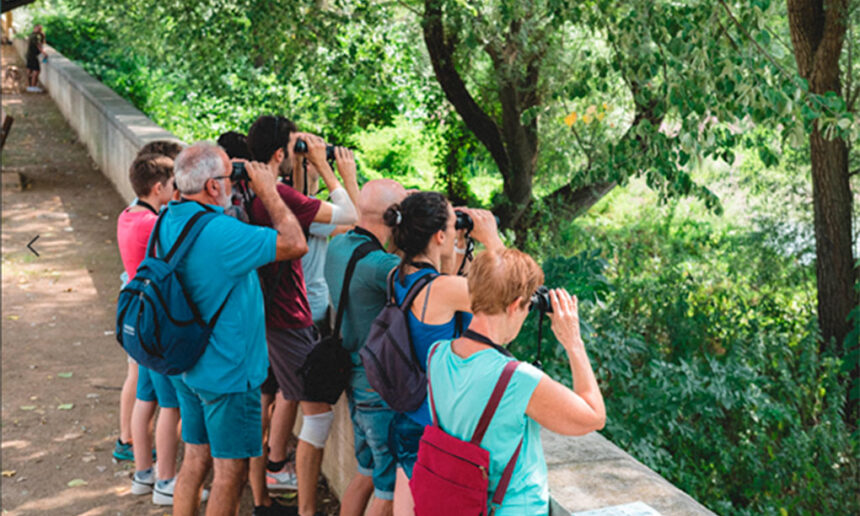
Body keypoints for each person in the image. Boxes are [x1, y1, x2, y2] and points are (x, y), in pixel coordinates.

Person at [160, 142, 307, 516]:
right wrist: (269, 191)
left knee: (195, 459)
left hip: (186, 362)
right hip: (228, 372)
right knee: (231, 471)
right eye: (228, 176)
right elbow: (294, 242)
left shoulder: (168, 218)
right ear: (212, 187)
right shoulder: (223, 232)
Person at [426, 249, 606, 514]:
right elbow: (593, 417)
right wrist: (574, 343)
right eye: (526, 307)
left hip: (454, 502)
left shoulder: (437, 354)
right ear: (514, 305)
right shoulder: (516, 379)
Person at [245, 115, 358, 516]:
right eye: (294, 147)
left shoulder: (253, 193)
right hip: (287, 318)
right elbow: (349, 218)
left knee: (271, 402)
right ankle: (306, 508)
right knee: (319, 413)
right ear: (280, 154)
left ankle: (266, 497)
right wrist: (332, 168)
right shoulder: (276, 195)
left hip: (270, 316)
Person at [381, 192, 504, 515]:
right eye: (451, 227)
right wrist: (492, 240)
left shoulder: (398, 275)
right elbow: (507, 296)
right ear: (439, 236)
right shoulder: (441, 291)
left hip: (408, 416)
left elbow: (447, 280)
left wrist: (458, 244)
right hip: (435, 425)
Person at [325, 179, 407, 516]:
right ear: (394, 218)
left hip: (354, 382)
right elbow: (431, 288)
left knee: (366, 475)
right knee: (387, 491)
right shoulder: (381, 268)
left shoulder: (338, 245)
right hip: (378, 391)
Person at [113, 140, 183, 464]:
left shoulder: (128, 215)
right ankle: (165, 474)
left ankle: (142, 468)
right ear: (159, 188)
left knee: (145, 397)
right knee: (169, 403)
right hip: (155, 319)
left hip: (135, 313)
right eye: (173, 185)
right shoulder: (153, 224)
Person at [25, 24, 45, 93]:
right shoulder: (35, 36)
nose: (39, 31)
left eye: (40, 29)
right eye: (39, 29)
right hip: (33, 56)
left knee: (29, 70)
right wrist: (44, 53)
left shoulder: (31, 35)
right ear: (35, 28)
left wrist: (42, 36)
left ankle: (29, 86)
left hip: (29, 55)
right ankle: (33, 87)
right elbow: (38, 45)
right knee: (36, 71)